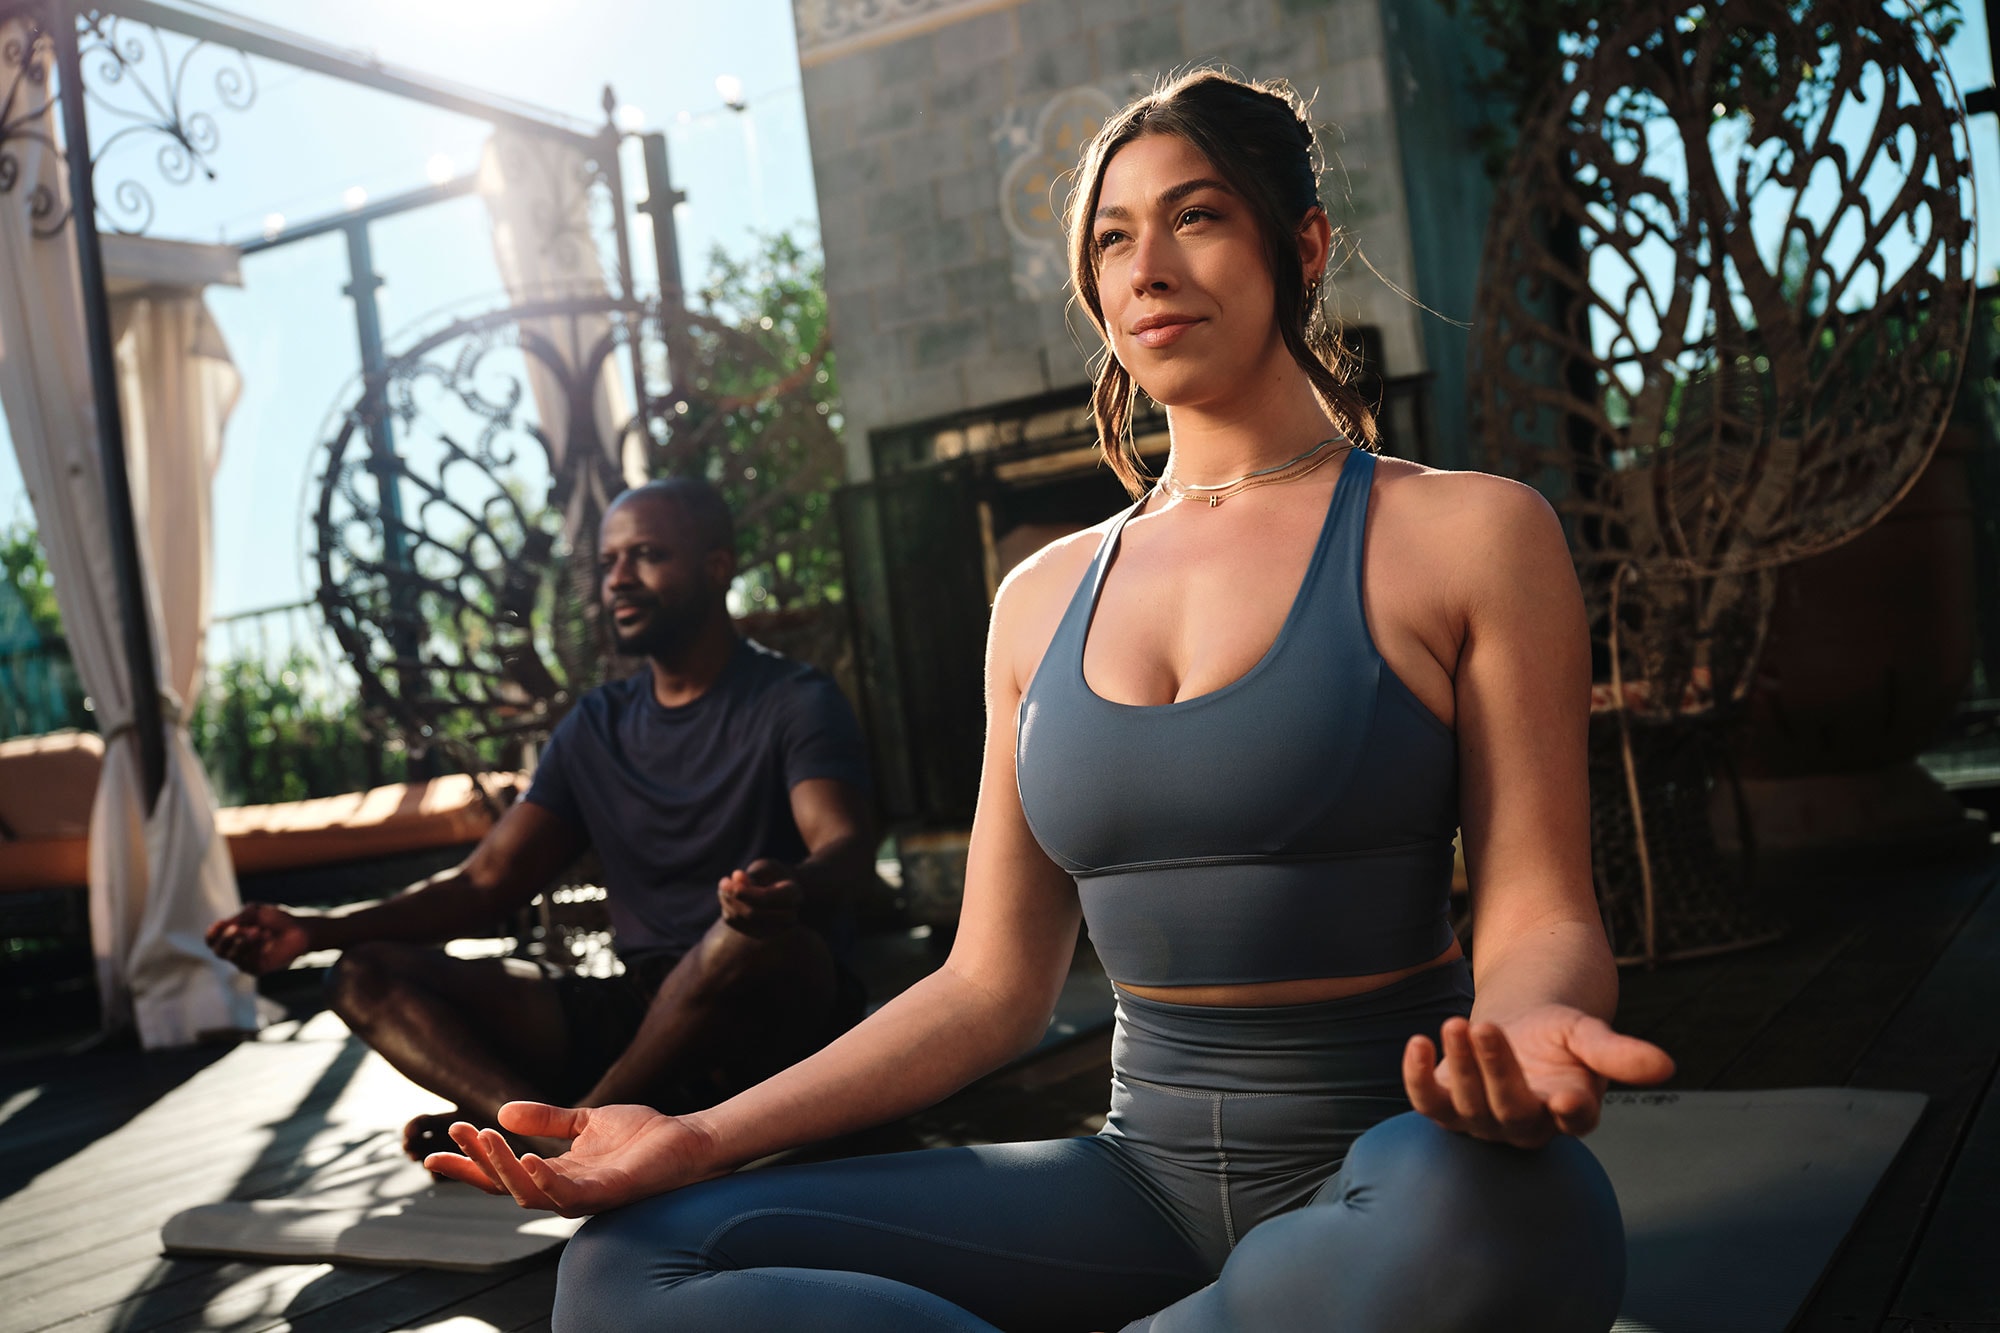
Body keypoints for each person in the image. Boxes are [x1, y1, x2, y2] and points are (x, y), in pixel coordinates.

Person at [428, 70, 1676, 1332]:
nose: (1149, 267)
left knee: (1501, 1216)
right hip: (1135, 1185)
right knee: (627, 1265)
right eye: (1113, 237)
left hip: (1405, 1165)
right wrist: (695, 1138)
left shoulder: (1468, 533)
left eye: (1196, 217)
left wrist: (1521, 1032)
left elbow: (1537, 912)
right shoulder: (1037, 597)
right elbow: (990, 984)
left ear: (1299, 246)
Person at [206, 477, 877, 1162]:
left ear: (717, 566)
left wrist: (788, 889)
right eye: (608, 561)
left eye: (646, 554)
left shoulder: (795, 700)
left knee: (747, 941)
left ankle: (576, 1139)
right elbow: (483, 884)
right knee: (359, 973)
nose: (619, 579)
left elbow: (844, 845)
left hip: (774, 1010)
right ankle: (544, 1132)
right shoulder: (596, 726)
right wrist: (316, 928)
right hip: (645, 1013)